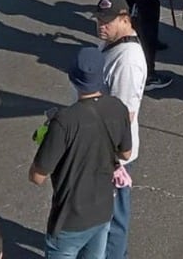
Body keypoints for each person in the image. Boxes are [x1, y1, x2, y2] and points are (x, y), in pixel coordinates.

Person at [29, 47, 131, 259]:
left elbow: (37, 176)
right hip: (103, 211)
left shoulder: (64, 121)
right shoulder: (118, 108)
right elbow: (126, 153)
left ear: (73, 78)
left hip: (70, 219)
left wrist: (47, 140)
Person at [93, 0, 147, 259]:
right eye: (98, 20)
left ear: (125, 20)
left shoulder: (127, 60)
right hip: (103, 146)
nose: (100, 25)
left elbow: (123, 115)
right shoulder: (111, 43)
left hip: (113, 152)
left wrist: (114, 158)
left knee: (114, 220)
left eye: (107, 21)